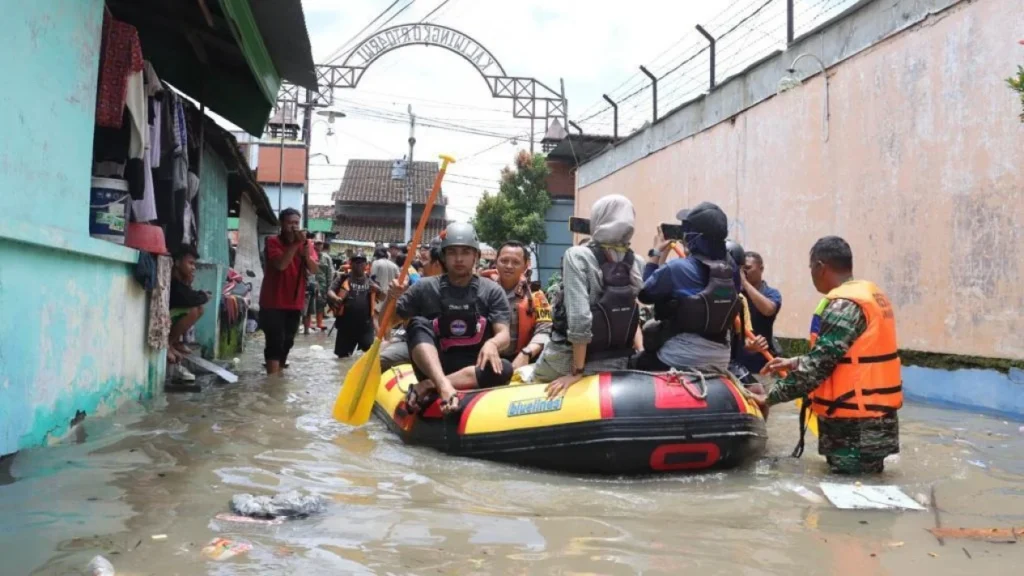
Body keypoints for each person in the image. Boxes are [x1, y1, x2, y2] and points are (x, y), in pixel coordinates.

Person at [754, 236, 902, 474]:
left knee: (852, 489)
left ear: (820, 267)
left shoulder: (844, 306)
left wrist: (769, 397)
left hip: (855, 428)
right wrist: (795, 362)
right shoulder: (870, 295)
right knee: (864, 485)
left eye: (811, 267)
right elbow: (844, 356)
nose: (811, 273)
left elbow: (818, 367)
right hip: (872, 420)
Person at [388, 222, 513, 414]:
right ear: (444, 257)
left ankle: (431, 386)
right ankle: (441, 383)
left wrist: (493, 344)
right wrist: (392, 297)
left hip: (472, 370)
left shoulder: (492, 291)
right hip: (434, 365)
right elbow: (387, 324)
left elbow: (504, 334)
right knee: (418, 323)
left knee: (505, 368)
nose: (459, 259)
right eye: (452, 252)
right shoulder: (424, 287)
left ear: (476, 256)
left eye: (466, 252)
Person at [535, 195, 643, 396]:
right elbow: (633, 312)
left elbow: (579, 319)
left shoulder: (577, 255)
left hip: (568, 362)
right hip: (619, 362)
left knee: (530, 376)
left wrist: (577, 372)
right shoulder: (636, 261)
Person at [632, 202, 741, 372]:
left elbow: (644, 294)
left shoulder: (677, 268)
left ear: (693, 236)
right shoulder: (732, 270)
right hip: (721, 358)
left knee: (634, 362)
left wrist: (656, 253)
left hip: (679, 357)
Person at [259, 208, 318, 375]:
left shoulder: (307, 244)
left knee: (288, 341)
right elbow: (281, 265)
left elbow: (314, 270)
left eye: (296, 223)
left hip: (294, 302)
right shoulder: (272, 241)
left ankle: (278, 377)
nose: (294, 227)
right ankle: (272, 381)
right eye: (290, 223)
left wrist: (306, 256)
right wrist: (295, 244)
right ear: (281, 224)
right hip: (272, 302)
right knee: (274, 342)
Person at [480, 241, 553, 370]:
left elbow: (545, 329)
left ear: (525, 266)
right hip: (483, 358)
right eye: (504, 261)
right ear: (496, 262)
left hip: (521, 359)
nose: (509, 266)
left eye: (516, 262)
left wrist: (527, 353)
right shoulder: (480, 290)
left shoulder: (536, 295)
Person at [380, 234, 446, 371]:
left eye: (425, 261)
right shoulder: (419, 287)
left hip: (446, 346)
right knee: (380, 355)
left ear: (437, 264)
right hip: (416, 342)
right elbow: (385, 324)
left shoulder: (471, 287)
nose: (421, 266)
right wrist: (392, 296)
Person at [168, 245, 210, 380]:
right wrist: (203, 296)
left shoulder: (181, 279)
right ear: (177, 262)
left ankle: (174, 342)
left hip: (172, 315)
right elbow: (187, 299)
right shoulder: (172, 279)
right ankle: (167, 344)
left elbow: (189, 296)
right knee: (193, 310)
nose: (193, 268)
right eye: (190, 263)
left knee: (199, 309)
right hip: (165, 318)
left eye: (194, 264)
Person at [737, 251, 782, 375]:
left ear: (761, 269)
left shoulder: (771, 293)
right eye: (741, 269)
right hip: (737, 364)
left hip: (762, 365)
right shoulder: (736, 294)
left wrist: (745, 283)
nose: (744, 272)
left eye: (747, 268)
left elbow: (768, 310)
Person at [328, 254, 376, 357]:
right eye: (356, 262)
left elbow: (383, 297)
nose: (359, 265)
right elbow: (330, 291)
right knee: (342, 357)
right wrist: (336, 298)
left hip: (365, 325)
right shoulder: (343, 278)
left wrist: (378, 289)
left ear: (366, 265)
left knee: (369, 353)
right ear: (351, 264)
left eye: (361, 262)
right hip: (346, 324)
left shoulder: (370, 280)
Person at [305, 240, 334, 333]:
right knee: (309, 304)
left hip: (322, 285)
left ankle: (319, 322)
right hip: (310, 283)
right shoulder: (309, 255)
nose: (318, 246)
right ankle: (308, 324)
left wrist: (330, 286)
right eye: (317, 244)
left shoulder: (326, 258)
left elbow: (330, 273)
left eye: (320, 244)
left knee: (321, 304)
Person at [370, 247, 400, 316]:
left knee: (376, 317)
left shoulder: (376, 263)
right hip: (390, 297)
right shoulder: (394, 265)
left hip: (379, 296)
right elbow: (398, 279)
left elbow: (372, 279)